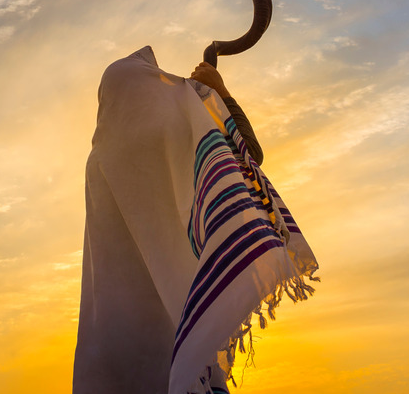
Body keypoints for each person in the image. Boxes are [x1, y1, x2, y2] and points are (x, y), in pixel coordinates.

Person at [73, 46, 317, 394]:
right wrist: (217, 93)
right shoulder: (165, 139)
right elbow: (248, 155)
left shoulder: (99, 160)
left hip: (111, 348)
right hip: (180, 335)